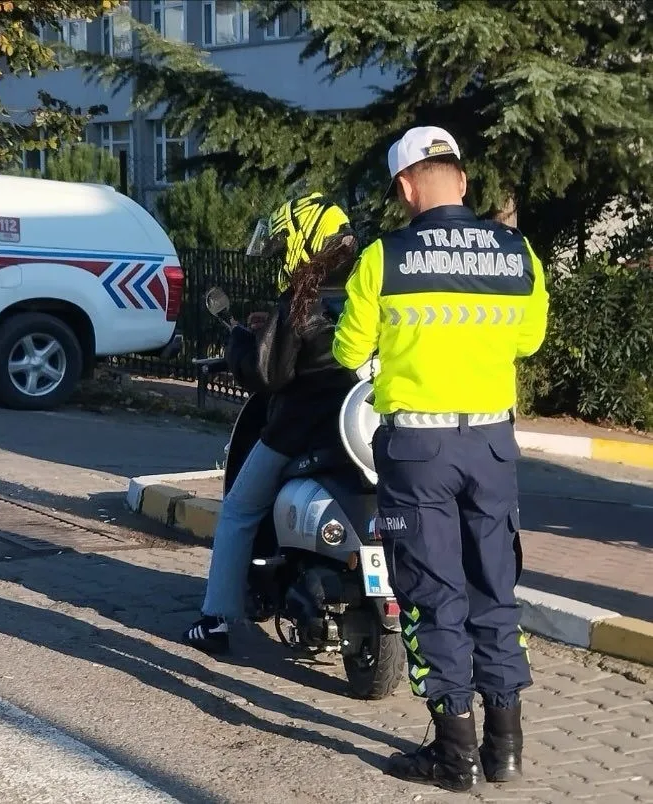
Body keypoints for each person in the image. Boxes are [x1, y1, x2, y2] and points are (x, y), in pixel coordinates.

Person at [331, 126, 550, 793]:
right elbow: (530, 339)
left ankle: (453, 755)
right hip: (490, 445)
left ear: (404, 187)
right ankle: (505, 748)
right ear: (460, 179)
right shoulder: (517, 254)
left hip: (418, 449)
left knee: (433, 597)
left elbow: (347, 351)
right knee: (494, 589)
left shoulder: (384, 258)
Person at [181, 193, 360, 653]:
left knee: (239, 509)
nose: (281, 257)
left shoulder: (302, 300)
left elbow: (268, 374)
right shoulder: (366, 287)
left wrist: (241, 341)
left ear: (304, 242)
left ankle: (216, 619)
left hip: (299, 430)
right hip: (361, 433)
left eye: (285, 247)